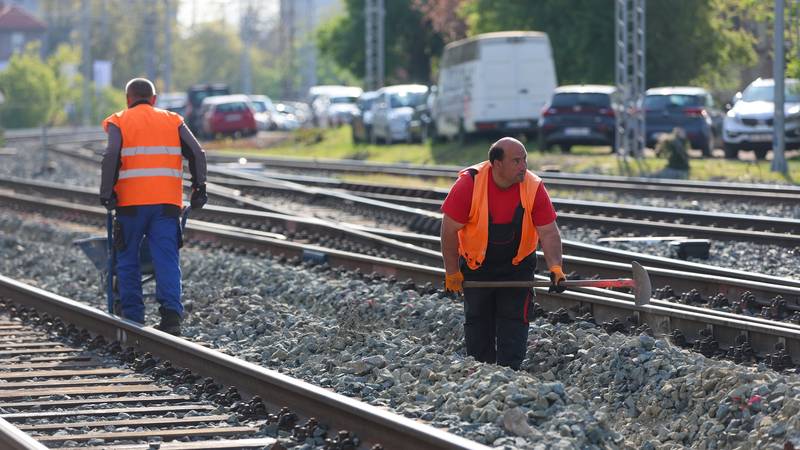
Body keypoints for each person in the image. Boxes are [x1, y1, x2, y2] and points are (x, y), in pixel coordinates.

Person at [439, 137, 565, 369]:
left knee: (515, 320)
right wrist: (452, 272)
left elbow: (548, 232)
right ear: (497, 164)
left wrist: (555, 267)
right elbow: (448, 231)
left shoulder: (533, 186)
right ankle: (480, 372)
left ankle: (510, 373)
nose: (523, 166)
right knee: (478, 322)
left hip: (518, 265)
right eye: (516, 161)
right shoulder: (469, 185)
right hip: (478, 265)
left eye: (525, 160)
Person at [99, 78, 208, 335]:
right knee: (167, 259)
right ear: (154, 99)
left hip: (130, 206)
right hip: (167, 205)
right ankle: (171, 316)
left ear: (128, 99)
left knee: (127, 261)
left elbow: (111, 155)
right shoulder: (173, 120)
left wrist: (107, 194)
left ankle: (134, 319)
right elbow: (197, 152)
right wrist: (199, 189)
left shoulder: (119, 120)